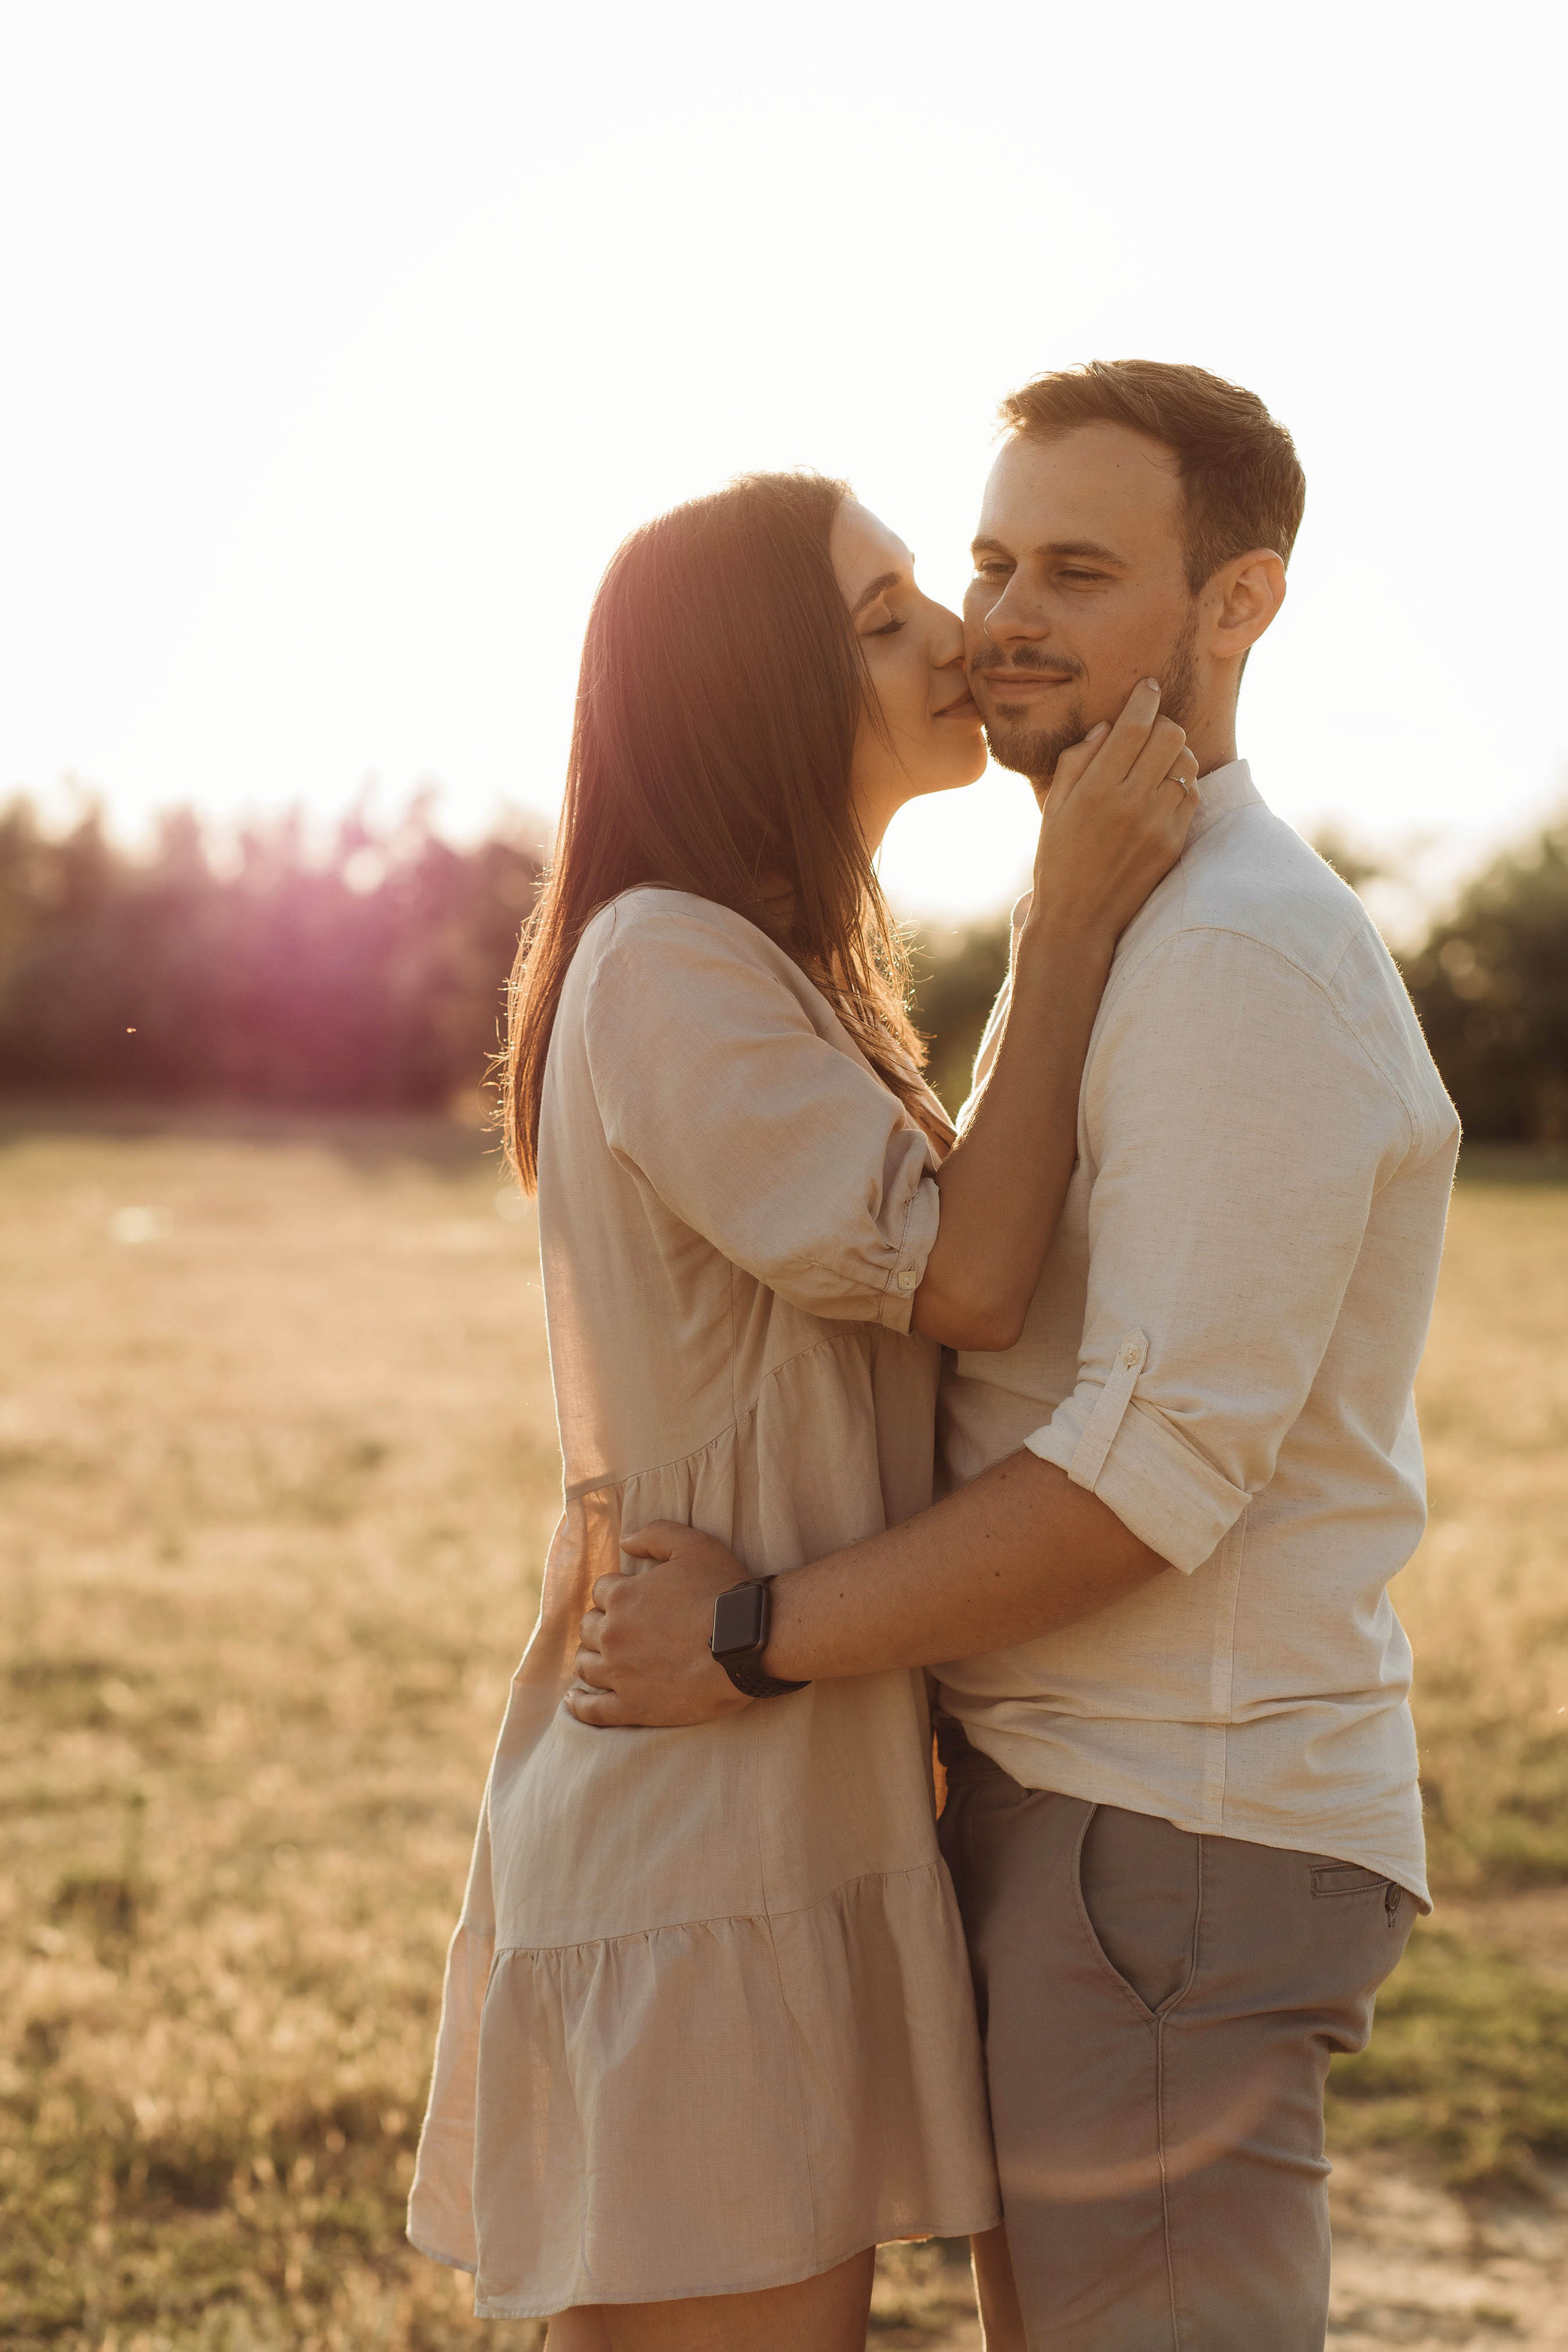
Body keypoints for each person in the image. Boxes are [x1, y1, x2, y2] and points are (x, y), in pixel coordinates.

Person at [572, 364, 1461, 2352]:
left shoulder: (1227, 950)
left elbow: (1141, 1478)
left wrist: (748, 1636)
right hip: (1093, 1826)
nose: (1003, 621)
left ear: (1239, 607)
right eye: (987, 562)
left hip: (1174, 1831)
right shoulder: (1125, 922)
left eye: (1079, 568)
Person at [406, 465, 1199, 2348]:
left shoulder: (755, 964)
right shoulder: (672, 961)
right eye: (882, 616)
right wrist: (1070, 922)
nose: (954, 635)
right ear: (756, 686)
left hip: (772, 1786)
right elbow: (971, 1278)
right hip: (706, 1820)